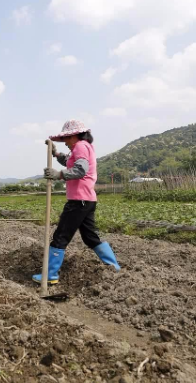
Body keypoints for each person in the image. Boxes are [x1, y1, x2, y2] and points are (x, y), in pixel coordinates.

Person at [33, 119, 120, 284]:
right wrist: (56, 154)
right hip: (87, 200)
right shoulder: (84, 147)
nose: (65, 142)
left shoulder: (80, 146)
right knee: (90, 237)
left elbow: (80, 170)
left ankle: (50, 275)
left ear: (74, 136)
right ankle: (113, 266)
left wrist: (58, 174)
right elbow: (69, 161)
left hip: (78, 200)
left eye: (66, 138)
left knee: (60, 236)